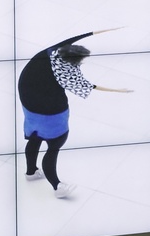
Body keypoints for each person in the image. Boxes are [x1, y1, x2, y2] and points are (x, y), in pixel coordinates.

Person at [18, 29, 132, 198]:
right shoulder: (65, 72)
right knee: (54, 144)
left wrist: (98, 32)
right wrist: (118, 90)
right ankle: (57, 186)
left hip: (27, 98)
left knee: (35, 137)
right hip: (49, 109)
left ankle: (31, 172)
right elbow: (87, 85)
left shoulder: (54, 50)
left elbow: (76, 37)